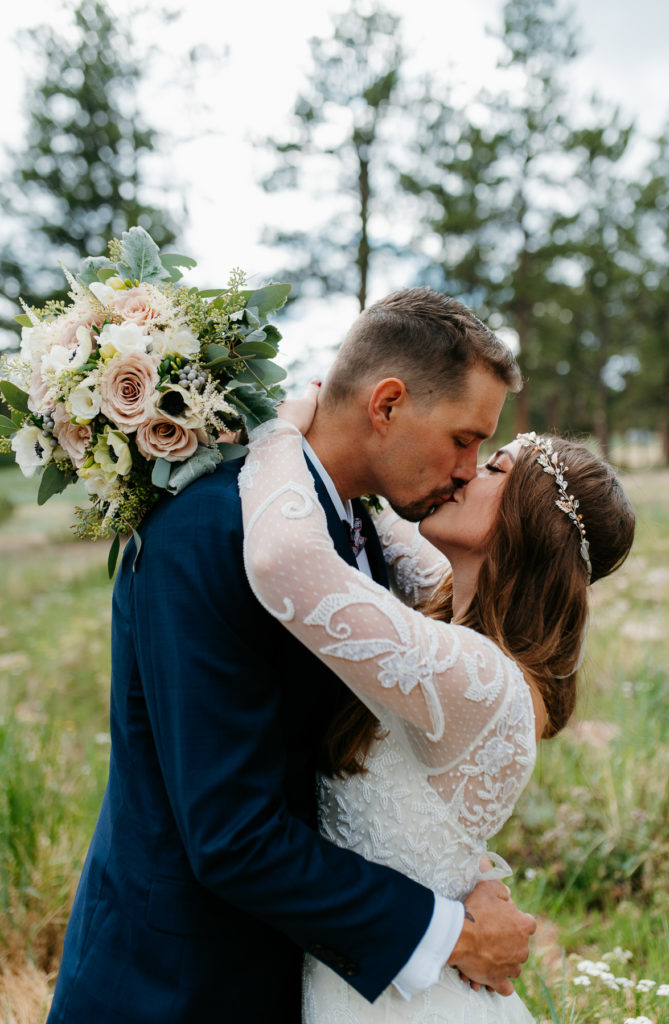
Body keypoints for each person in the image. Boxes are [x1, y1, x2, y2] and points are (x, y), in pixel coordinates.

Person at [47, 289, 537, 1024]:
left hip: (297, 974)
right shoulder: (210, 531)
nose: (470, 469)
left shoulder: (355, 532)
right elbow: (232, 835)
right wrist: (450, 935)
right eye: (465, 439)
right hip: (172, 986)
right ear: (388, 405)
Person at [239, 386, 635, 1022]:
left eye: (495, 468)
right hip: (373, 968)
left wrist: (278, 434)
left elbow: (286, 560)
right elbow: (388, 513)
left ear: (528, 523)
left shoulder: (482, 678)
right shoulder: (461, 616)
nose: (469, 473)